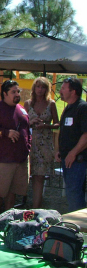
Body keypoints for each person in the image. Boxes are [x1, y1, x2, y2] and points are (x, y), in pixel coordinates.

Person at [0, 80, 31, 218]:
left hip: (20, 159)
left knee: (13, 192)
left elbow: (27, 129)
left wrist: (28, 145)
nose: (17, 94)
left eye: (18, 91)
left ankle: (8, 220)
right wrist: (5, 132)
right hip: (2, 160)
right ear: (5, 94)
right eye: (13, 92)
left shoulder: (21, 109)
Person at [24, 77, 59, 208]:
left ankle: (36, 207)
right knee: (27, 174)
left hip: (45, 143)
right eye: (38, 87)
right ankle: (24, 201)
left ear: (47, 89)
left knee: (39, 176)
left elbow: (57, 123)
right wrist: (30, 122)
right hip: (30, 143)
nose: (40, 90)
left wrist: (46, 125)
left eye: (43, 87)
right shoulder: (28, 103)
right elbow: (20, 122)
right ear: (34, 88)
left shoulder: (51, 104)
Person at [56, 78, 87, 212]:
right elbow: (64, 131)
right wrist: (59, 150)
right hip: (67, 158)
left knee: (74, 193)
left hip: (77, 160)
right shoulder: (68, 108)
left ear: (73, 91)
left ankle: (78, 227)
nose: (60, 91)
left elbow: (86, 135)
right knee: (71, 192)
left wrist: (73, 153)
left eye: (63, 88)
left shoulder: (83, 108)